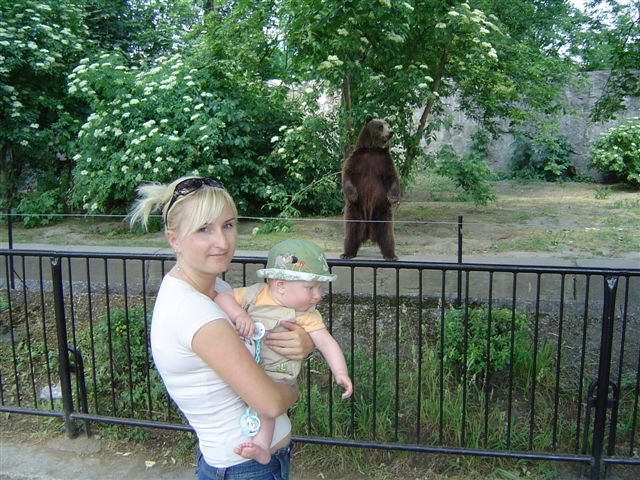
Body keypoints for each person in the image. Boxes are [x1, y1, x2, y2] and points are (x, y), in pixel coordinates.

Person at [128, 176, 315, 480]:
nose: (223, 242)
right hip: (245, 468)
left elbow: (266, 338)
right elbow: (269, 403)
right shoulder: (194, 312)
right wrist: (292, 387)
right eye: (204, 229)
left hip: (242, 463)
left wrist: (304, 345)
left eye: (228, 225)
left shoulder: (215, 290)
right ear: (174, 239)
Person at [215, 239, 353, 465]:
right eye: (310, 288)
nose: (318, 295)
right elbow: (222, 298)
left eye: (320, 288)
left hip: (277, 375)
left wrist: (340, 372)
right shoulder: (254, 295)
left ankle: (262, 445)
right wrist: (239, 315)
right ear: (280, 284)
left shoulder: (307, 315)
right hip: (246, 368)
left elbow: (327, 343)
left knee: (267, 407)